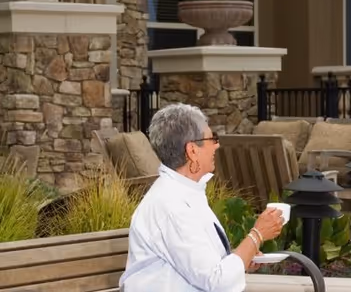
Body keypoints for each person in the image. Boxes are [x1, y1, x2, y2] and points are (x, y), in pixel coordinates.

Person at [119, 103, 285, 292]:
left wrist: (242, 258)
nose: (217, 144)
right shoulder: (170, 205)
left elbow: (202, 267)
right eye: (211, 138)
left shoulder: (184, 192)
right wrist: (257, 234)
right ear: (192, 151)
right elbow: (217, 282)